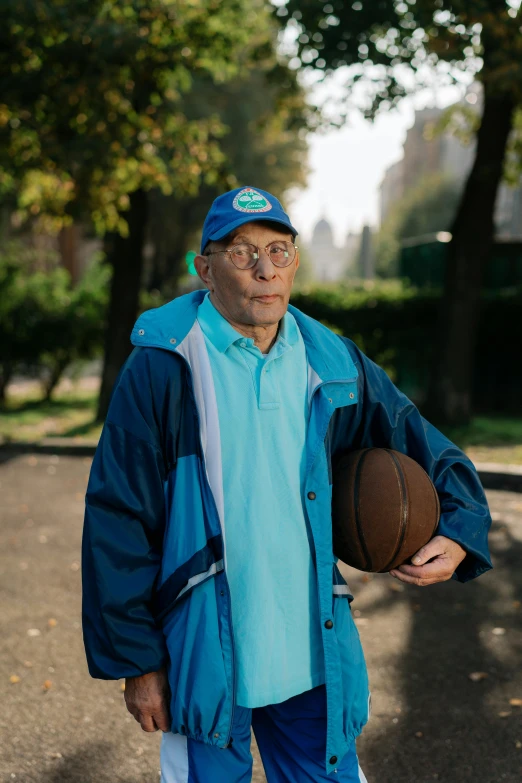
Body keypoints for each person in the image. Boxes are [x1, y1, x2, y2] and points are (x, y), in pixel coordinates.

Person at [81, 185, 493, 782]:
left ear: (296, 260)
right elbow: (118, 517)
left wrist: (458, 530)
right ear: (205, 268)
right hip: (206, 651)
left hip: (312, 651)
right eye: (242, 253)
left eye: (279, 250)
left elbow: (427, 446)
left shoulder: (331, 361)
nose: (265, 270)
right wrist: (138, 662)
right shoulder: (165, 363)